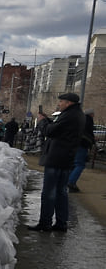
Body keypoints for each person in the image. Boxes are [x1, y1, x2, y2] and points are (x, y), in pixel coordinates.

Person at [31, 92, 85, 232]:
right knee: (61, 192)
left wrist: (42, 121)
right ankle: (61, 223)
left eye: (61, 101)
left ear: (68, 103)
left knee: (49, 192)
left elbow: (50, 132)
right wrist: (48, 120)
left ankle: (45, 223)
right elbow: (59, 129)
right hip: (66, 159)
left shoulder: (68, 115)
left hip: (56, 159)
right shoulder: (77, 115)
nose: (59, 104)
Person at [68, 109, 94, 192]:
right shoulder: (88, 121)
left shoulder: (79, 120)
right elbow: (89, 133)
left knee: (74, 164)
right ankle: (71, 182)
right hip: (82, 145)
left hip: (75, 144)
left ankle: (68, 181)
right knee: (80, 164)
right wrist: (92, 140)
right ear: (91, 114)